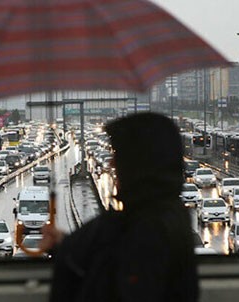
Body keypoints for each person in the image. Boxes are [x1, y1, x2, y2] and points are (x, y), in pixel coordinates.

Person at [40, 112, 198, 302]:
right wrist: (65, 246)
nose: (111, 163)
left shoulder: (150, 232)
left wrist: (68, 253)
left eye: (119, 155)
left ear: (138, 163)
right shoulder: (152, 217)